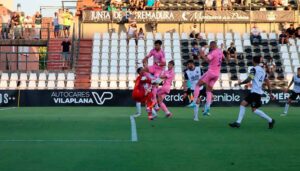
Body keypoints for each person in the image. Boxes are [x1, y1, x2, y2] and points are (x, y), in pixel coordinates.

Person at [229, 56, 275, 129]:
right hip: (258, 92)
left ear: (253, 61)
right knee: (247, 106)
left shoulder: (253, 69)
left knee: (248, 107)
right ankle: (270, 120)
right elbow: (268, 82)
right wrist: (270, 92)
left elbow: (249, 79)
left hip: (255, 92)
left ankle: (270, 120)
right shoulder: (263, 71)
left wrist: (239, 83)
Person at [187, 41, 225, 116]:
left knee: (198, 85)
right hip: (217, 74)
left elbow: (207, 60)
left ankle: (194, 102)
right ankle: (207, 108)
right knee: (208, 91)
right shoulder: (220, 51)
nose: (209, 48)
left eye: (210, 46)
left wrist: (202, 55)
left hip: (211, 72)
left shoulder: (213, 52)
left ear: (212, 46)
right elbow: (223, 58)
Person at [143, 40, 166, 109]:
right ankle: (148, 85)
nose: (156, 46)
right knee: (144, 70)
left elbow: (164, 63)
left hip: (159, 70)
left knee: (155, 83)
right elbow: (148, 56)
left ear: (160, 45)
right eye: (155, 45)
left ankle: (155, 104)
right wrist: (144, 59)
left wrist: (158, 63)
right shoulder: (153, 50)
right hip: (154, 67)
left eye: (157, 45)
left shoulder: (162, 53)